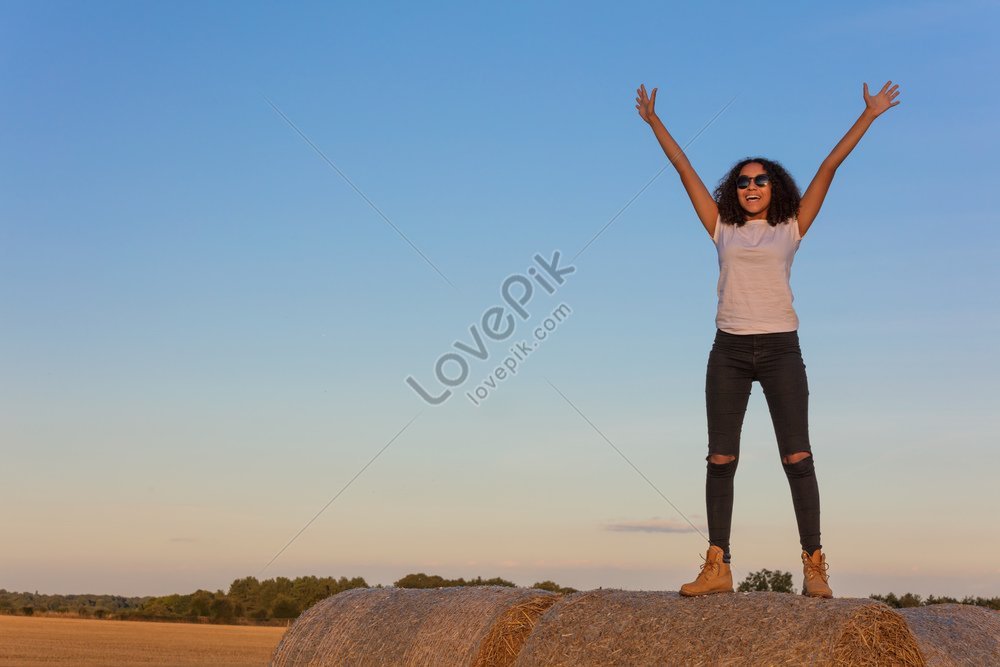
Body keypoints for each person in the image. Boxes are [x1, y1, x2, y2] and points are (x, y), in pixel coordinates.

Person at [635, 80, 900, 598]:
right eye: (741, 181)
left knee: (797, 457)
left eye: (759, 180)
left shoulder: (792, 227)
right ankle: (719, 565)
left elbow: (828, 167)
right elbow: (683, 169)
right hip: (728, 351)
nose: (751, 186)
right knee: (720, 459)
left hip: (781, 350)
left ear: (775, 185)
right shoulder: (721, 228)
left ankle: (814, 564)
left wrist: (868, 116)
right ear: (732, 191)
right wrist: (653, 122)